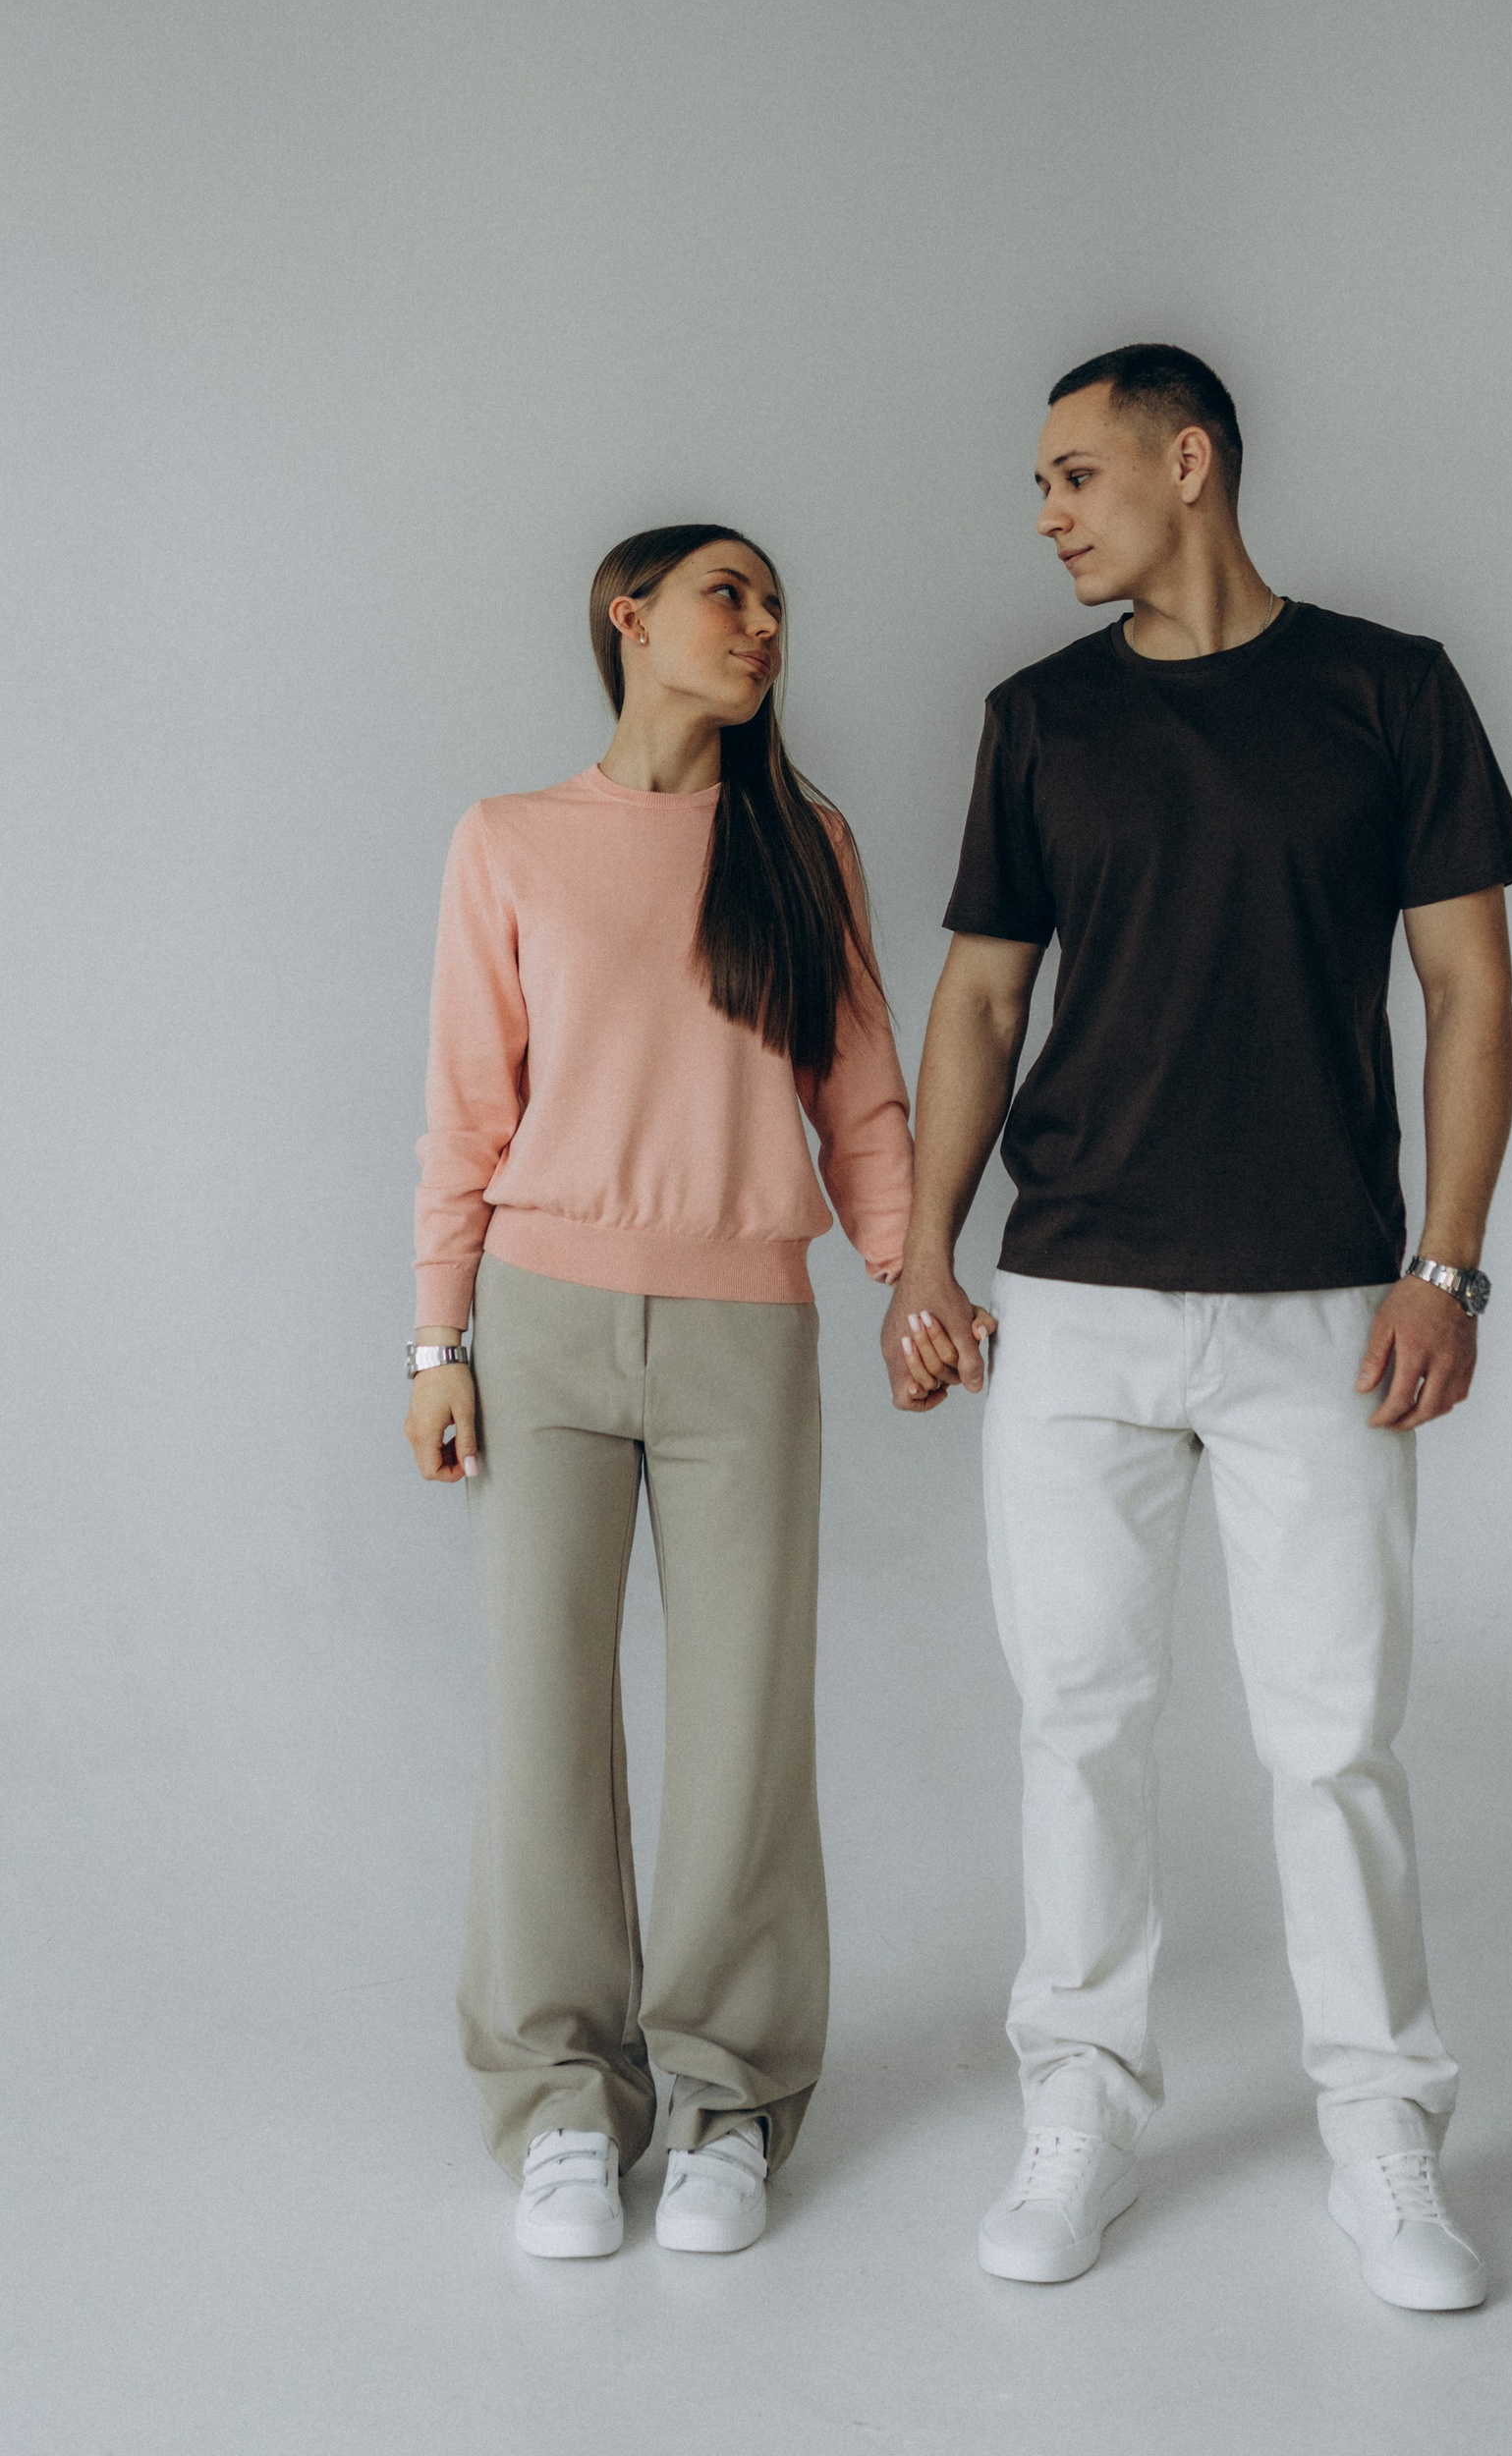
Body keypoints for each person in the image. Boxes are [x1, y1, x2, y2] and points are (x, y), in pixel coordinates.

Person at [884, 345, 1512, 2309]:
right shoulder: (1041, 719)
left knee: (1333, 1739)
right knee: (1077, 1723)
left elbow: (1472, 996)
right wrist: (923, 1257)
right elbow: (981, 1001)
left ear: (1190, 463)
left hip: (1326, 1302)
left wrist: (1446, 1265)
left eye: (1074, 474)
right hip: (1074, 1298)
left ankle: (1383, 2136)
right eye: (1039, 483)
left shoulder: (1389, 691)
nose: (1046, 513)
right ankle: (1079, 2106)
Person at [406, 523, 915, 2261]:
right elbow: (465, 1112)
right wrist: (438, 1343)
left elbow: (860, 1097)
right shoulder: (510, 841)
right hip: (540, 1327)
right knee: (542, 1717)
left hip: (741, 1331)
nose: (763, 624)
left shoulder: (803, 844)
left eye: (776, 603)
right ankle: (562, 2100)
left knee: (743, 1728)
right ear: (628, 616)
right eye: (728, 594)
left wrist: (912, 1279)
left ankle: (727, 2100)